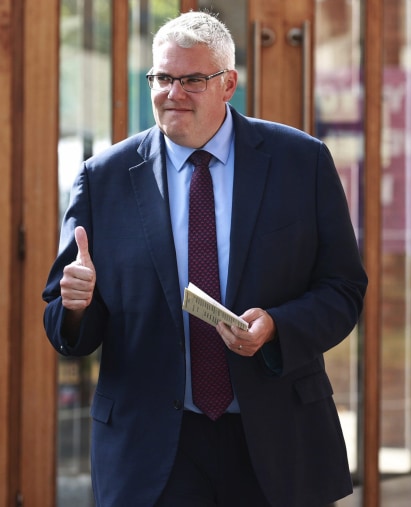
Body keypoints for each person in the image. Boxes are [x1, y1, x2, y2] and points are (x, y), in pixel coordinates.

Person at [42, 11, 367, 507]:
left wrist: (277, 326)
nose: (173, 93)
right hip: (152, 451)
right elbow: (65, 325)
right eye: (163, 78)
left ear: (228, 83)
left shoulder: (301, 163)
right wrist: (77, 304)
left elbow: (343, 289)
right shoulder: (103, 177)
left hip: (275, 439)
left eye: (192, 79)